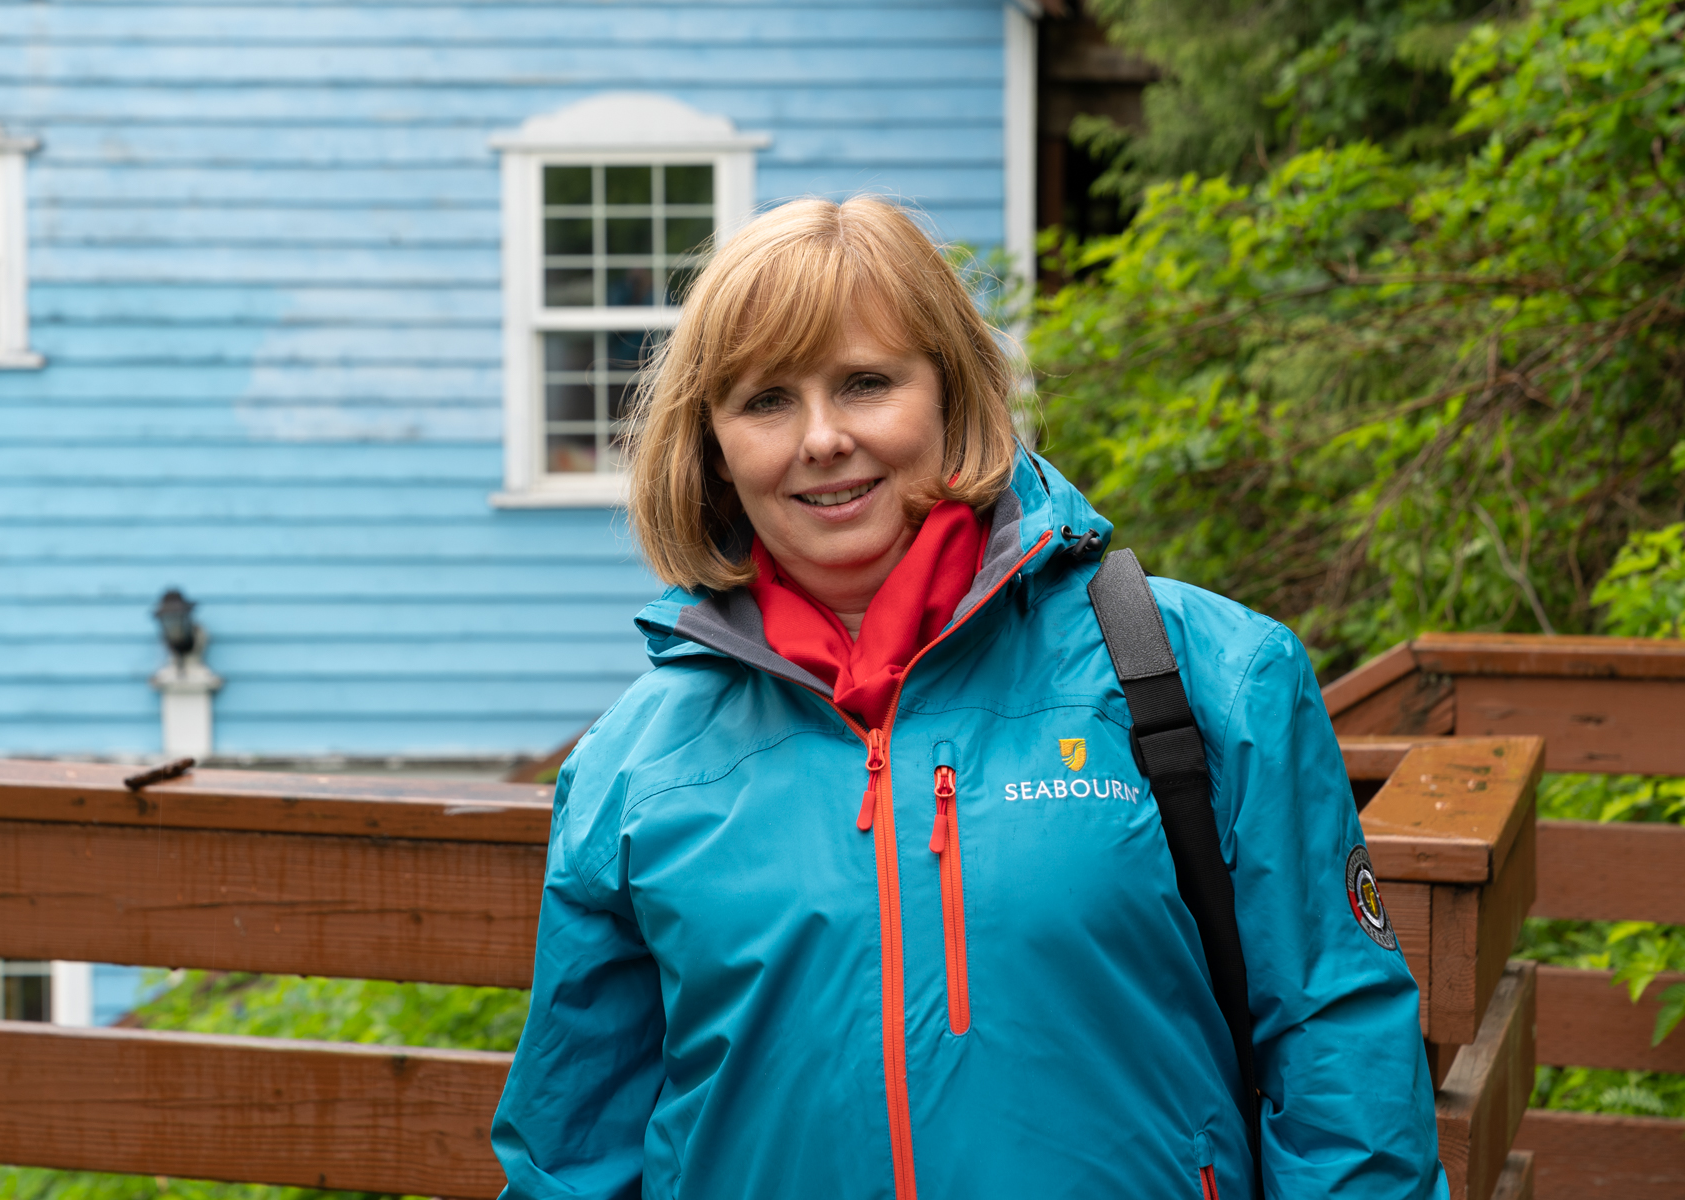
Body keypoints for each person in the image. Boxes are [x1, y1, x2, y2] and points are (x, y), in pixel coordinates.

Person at [491, 197, 1447, 1200]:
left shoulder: (1208, 676)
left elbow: (1341, 1067)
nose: (822, 438)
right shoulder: (631, 769)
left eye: (866, 383)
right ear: (714, 446)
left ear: (952, 392)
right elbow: (573, 1157)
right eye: (766, 400)